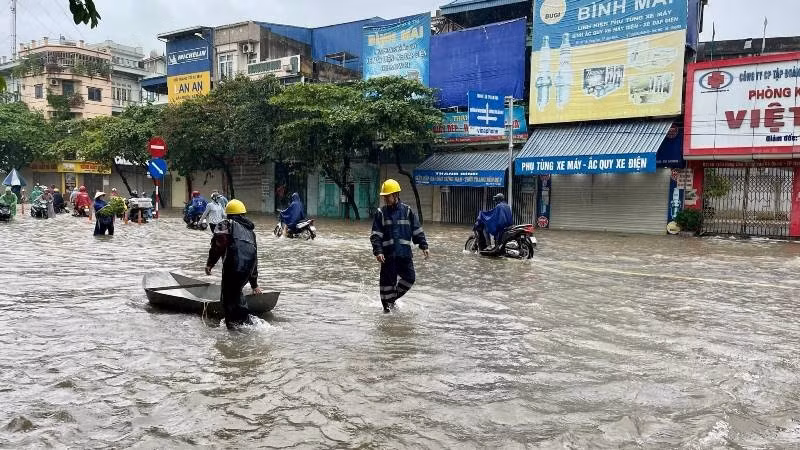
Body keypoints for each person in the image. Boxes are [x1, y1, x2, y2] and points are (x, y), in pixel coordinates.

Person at [370, 179, 429, 313]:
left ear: (396, 195)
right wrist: (378, 252)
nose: (385, 198)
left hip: (404, 255)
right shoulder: (381, 213)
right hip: (388, 257)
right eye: (384, 196)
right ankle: (387, 315)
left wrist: (423, 245)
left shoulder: (407, 211)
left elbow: (417, 230)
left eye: (387, 196)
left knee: (410, 278)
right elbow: (376, 235)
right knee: (386, 286)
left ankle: (391, 300)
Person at [204, 199, 262, 329]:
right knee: (236, 293)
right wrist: (254, 284)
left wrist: (210, 264)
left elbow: (218, 246)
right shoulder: (251, 233)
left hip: (233, 267)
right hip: (246, 271)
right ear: (243, 214)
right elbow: (254, 258)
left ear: (228, 214)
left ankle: (238, 327)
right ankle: (244, 322)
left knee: (228, 300)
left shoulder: (226, 224)